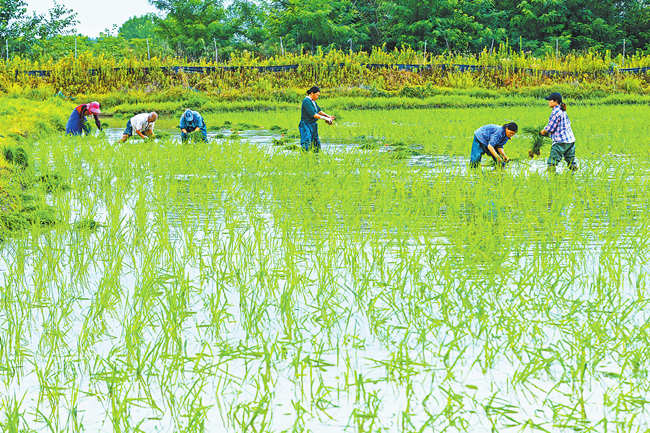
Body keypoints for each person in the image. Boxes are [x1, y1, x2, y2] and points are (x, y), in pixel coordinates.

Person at [541, 92, 577, 172]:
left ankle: (552, 179)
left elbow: (550, 128)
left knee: (552, 163)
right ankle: (575, 177)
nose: (548, 102)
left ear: (555, 101)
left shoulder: (555, 112)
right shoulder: (562, 110)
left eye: (550, 100)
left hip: (560, 142)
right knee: (571, 162)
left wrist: (543, 132)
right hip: (570, 141)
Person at [299, 86, 335, 152]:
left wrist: (328, 116)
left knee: (316, 142)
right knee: (307, 141)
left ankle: (316, 157)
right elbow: (314, 115)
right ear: (312, 93)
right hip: (306, 125)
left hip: (313, 125)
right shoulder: (306, 101)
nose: (317, 97)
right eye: (317, 95)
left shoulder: (313, 102)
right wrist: (326, 119)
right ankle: (304, 157)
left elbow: (319, 111)